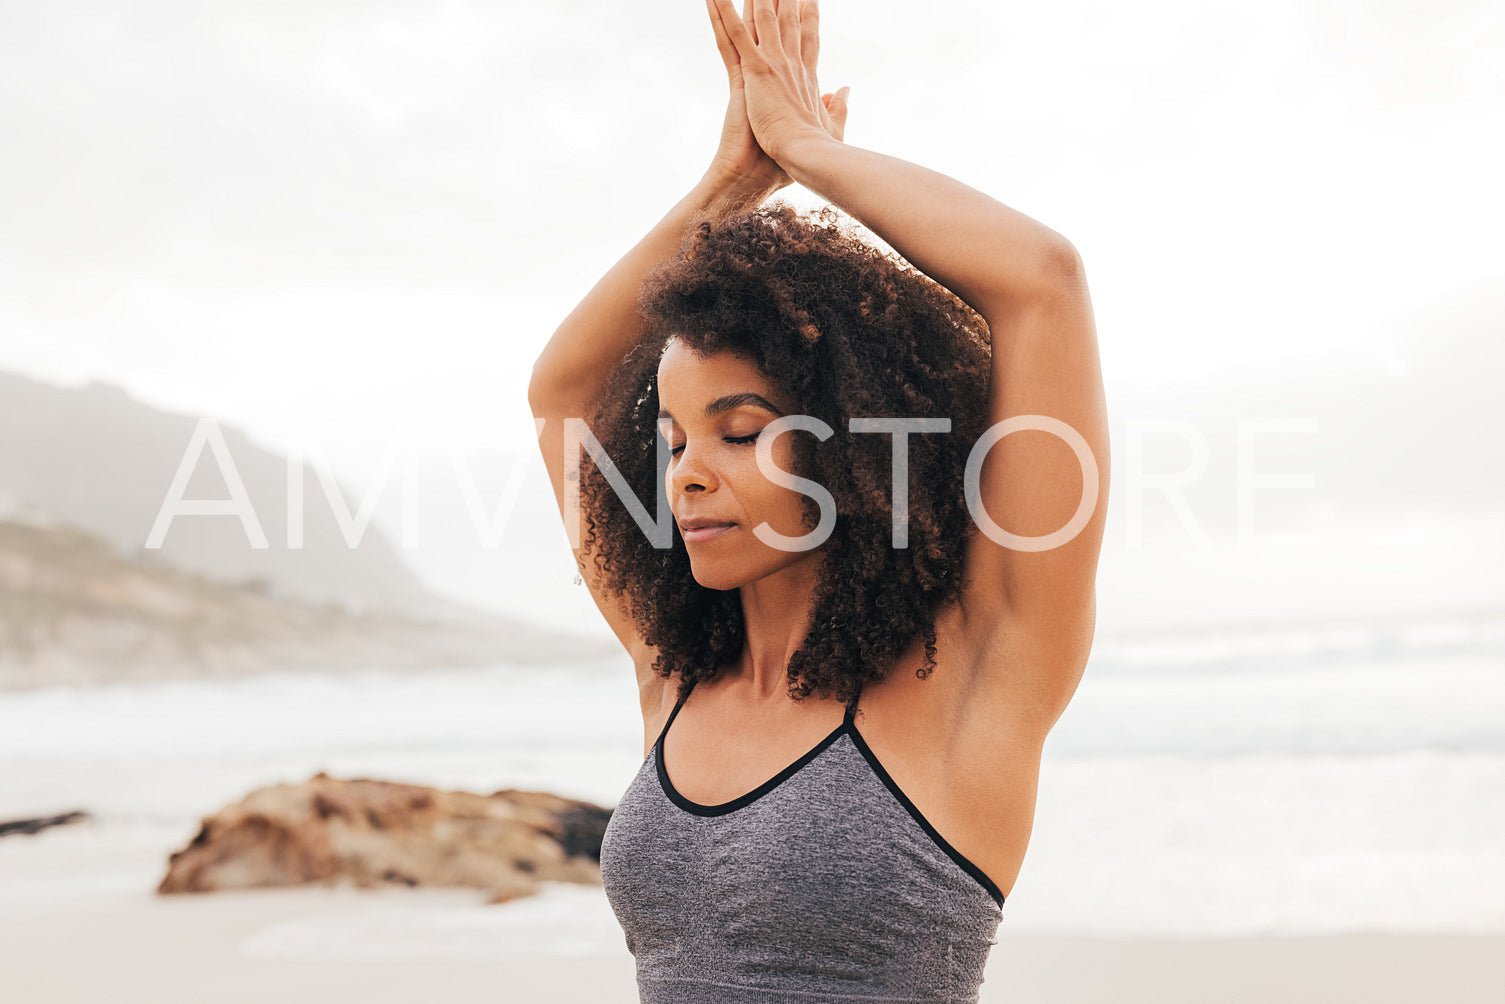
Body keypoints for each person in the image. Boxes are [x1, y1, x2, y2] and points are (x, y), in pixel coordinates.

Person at [528, 0, 1108, 999]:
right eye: (671, 442)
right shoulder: (671, 677)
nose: (686, 473)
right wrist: (730, 183)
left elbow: (1039, 280)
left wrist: (805, 152)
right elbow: (565, 393)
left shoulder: (970, 671)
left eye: (741, 430)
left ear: (853, 450)